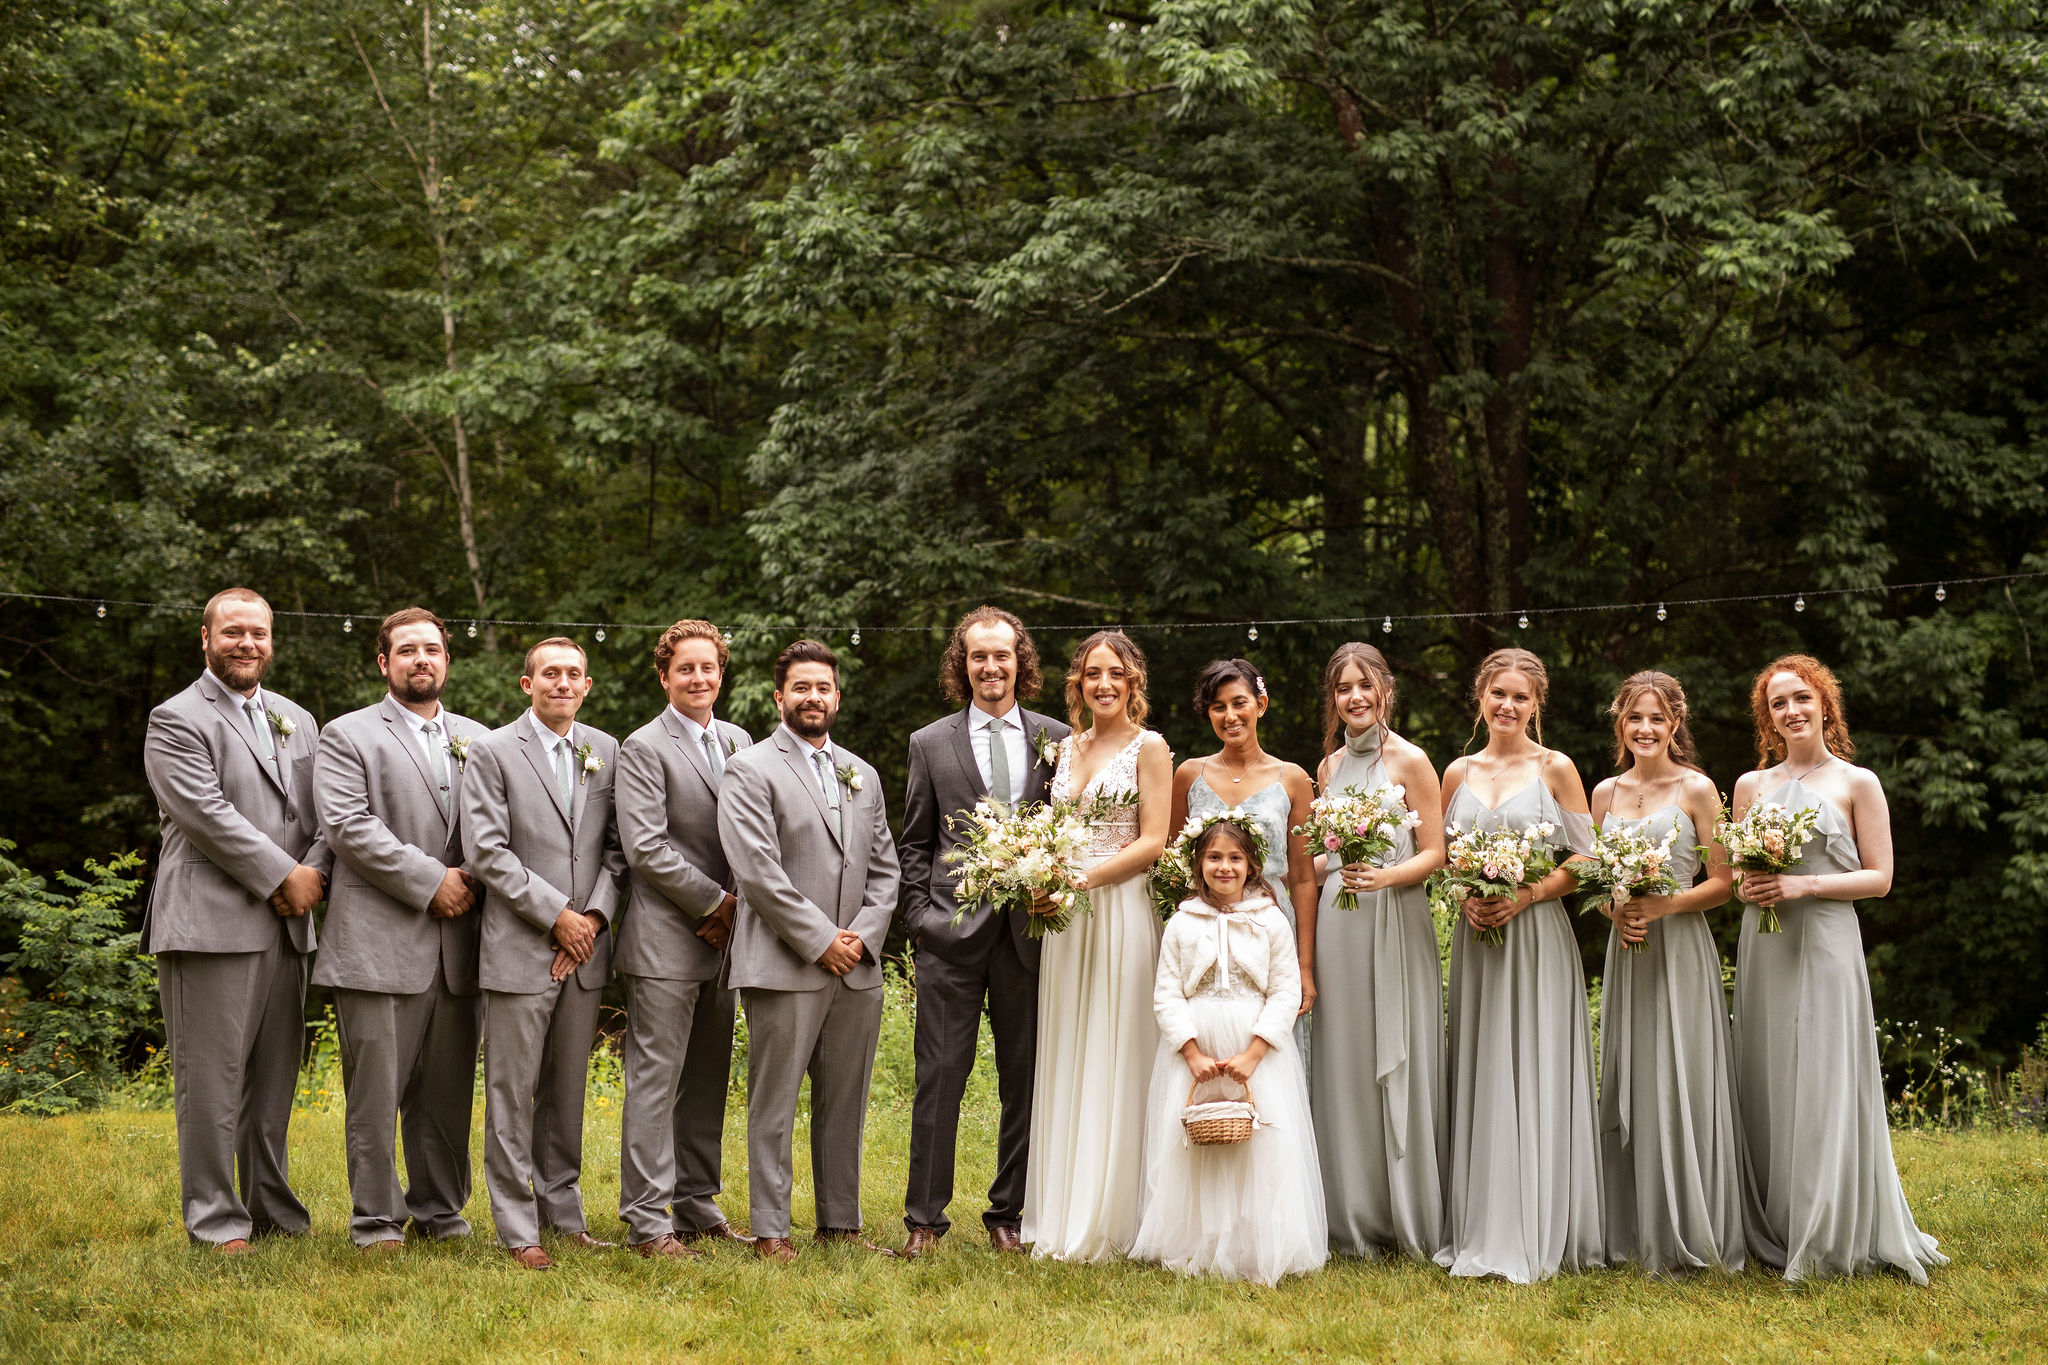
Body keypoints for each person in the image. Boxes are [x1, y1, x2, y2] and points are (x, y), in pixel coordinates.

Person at [1730, 655, 1946, 1282]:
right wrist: (1754, 887)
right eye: (1778, 704)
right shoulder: (1751, 787)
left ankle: (1832, 1226)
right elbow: (1740, 877)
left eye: (1802, 698)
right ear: (1767, 719)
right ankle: (1777, 1220)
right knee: (1769, 1074)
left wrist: (1802, 888)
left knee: (1824, 1075)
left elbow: (1879, 878)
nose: (1792, 711)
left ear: (1825, 703)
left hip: (1825, 940)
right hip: (1764, 944)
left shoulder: (1858, 782)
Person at [141, 587, 331, 1252]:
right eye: (232, 632)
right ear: (205, 638)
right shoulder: (176, 718)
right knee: (211, 1078)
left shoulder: (297, 718)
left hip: (287, 925)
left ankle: (271, 1204)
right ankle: (216, 1218)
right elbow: (206, 816)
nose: (247, 642)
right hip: (209, 924)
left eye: (258, 632)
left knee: (274, 1080)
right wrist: (286, 875)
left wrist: (313, 871)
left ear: (272, 640)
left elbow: (325, 812)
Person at [893, 607, 1071, 1259]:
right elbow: (914, 841)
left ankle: (1009, 1213)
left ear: (1020, 660)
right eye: (977, 656)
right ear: (961, 664)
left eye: (1001, 655)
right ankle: (924, 1220)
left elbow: (1067, 835)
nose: (990, 667)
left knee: (1025, 1077)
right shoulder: (930, 743)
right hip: (950, 933)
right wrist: (921, 918)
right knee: (939, 1074)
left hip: (1031, 934)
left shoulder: (1058, 739)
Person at [718, 639, 901, 1263]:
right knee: (774, 1099)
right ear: (779, 697)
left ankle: (840, 1222)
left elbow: (886, 869)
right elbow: (758, 872)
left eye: (823, 687)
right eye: (801, 688)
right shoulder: (750, 768)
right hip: (783, 960)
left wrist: (864, 937)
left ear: (837, 697)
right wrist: (823, 940)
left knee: (845, 1098)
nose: (813, 697)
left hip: (857, 966)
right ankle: (771, 1228)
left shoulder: (862, 773)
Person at [312, 607, 488, 1250]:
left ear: (447, 660)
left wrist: (469, 874)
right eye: (408, 650)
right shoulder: (348, 735)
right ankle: (377, 1219)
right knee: (376, 1092)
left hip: (462, 944)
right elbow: (348, 827)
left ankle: (441, 1211)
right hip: (377, 941)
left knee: (446, 1093)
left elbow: (499, 828)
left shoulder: (481, 738)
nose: (422, 659)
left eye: (433, 650)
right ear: (384, 663)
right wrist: (431, 881)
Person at [461, 637, 627, 1270]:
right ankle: (516, 1225)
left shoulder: (605, 751)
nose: (563, 683)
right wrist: (556, 917)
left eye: (574, 675)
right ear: (525, 684)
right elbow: (487, 851)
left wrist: (591, 919)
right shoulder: (494, 750)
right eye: (550, 674)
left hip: (583, 950)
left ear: (587, 686)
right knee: (512, 1090)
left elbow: (618, 849)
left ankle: (564, 1212)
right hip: (520, 946)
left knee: (567, 1089)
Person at [1439, 646, 1604, 1282]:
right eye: (1497, 694)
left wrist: (1528, 893)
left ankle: (1541, 1219)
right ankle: (1484, 1219)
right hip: (1478, 935)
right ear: (1480, 698)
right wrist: (1468, 896)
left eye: (1520, 697)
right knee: (1484, 1063)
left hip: (1536, 936)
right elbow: (1445, 855)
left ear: (1536, 706)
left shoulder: (1556, 768)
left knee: (1535, 1062)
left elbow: (1587, 858)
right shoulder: (1456, 772)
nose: (1507, 706)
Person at [1589, 671, 1752, 1274]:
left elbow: (1724, 882)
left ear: (1674, 725)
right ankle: (1630, 1229)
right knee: (1632, 1075)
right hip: (1626, 951)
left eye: (1657, 718)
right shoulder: (1603, 792)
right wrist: (1616, 908)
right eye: (1636, 717)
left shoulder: (1699, 789)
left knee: (1680, 1073)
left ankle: (1691, 1222)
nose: (1646, 729)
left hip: (1681, 949)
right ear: (1621, 724)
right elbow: (1595, 879)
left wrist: (1665, 904)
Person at [1020, 630, 1172, 1262]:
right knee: (1069, 1045)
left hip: (1119, 909)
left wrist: (1085, 876)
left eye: (1115, 674)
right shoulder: (1065, 747)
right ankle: (1061, 1206)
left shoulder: (1151, 746)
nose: (1103, 684)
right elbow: (1054, 831)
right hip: (1066, 918)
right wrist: (1042, 879)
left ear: (1132, 682)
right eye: (1091, 674)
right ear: (1077, 684)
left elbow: (1155, 840)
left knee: (1118, 1045)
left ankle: (1117, 1212)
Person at [1132, 818, 1327, 1285]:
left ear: (1252, 865)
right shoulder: (1181, 922)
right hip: (1199, 1046)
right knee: (1199, 1143)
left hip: (1253, 1046)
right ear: (1199, 865)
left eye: (1235, 858)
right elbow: (1167, 994)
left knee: (1260, 1143)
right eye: (1214, 857)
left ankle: (1255, 1241)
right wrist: (1192, 1053)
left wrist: (1254, 1054)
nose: (1225, 867)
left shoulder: (1271, 921)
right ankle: (1197, 1241)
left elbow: (1284, 993)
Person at [613, 620, 755, 1258]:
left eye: (709, 668)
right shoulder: (642, 747)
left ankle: (698, 1203)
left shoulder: (739, 739)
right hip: (667, 938)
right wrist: (714, 902)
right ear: (664, 676)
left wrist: (743, 908)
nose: (700, 679)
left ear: (721, 673)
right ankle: (647, 1219)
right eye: (686, 669)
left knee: (706, 1076)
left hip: (728, 941)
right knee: (657, 1078)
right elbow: (645, 847)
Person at [1306, 643, 1449, 1263]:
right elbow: (1320, 854)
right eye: (1343, 689)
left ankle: (1405, 1211)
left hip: (1395, 913)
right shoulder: (1327, 767)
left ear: (1384, 690)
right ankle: (1351, 1213)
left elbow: (1435, 851)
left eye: (1364, 685)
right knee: (1343, 1056)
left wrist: (1389, 878)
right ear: (1333, 700)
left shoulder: (1413, 761)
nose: (1354, 697)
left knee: (1400, 1051)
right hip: (1339, 921)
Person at [1169, 659, 1318, 1059]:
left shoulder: (1293, 779)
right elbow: (1172, 867)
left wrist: (1304, 967)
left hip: (1270, 926)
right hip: (1203, 926)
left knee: (1270, 1046)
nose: (1230, 716)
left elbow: (1303, 879)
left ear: (1261, 704)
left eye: (1239, 703)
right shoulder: (1188, 775)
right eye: (1218, 707)